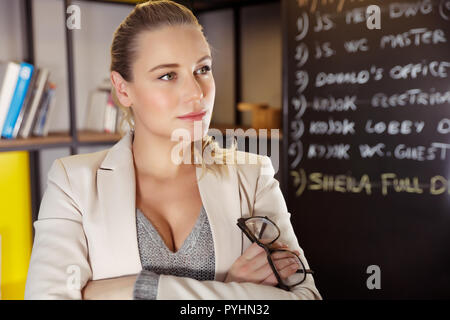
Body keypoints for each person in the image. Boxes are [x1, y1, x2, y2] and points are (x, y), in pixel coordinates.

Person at [24, 0, 322, 300]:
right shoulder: (72, 183)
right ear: (123, 88)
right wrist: (232, 290)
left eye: (202, 69)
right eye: (167, 75)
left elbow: (305, 297)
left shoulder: (253, 176)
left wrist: (143, 290)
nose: (196, 92)